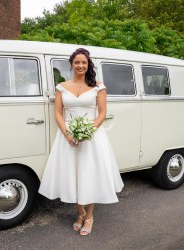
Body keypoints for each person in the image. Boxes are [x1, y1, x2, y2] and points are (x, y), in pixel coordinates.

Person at [38, 48, 124, 236]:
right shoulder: (61, 87)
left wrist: (88, 132)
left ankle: (90, 216)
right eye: (77, 62)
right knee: (73, 174)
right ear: (71, 64)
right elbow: (58, 114)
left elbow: (102, 113)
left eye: (84, 62)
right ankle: (80, 213)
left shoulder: (98, 87)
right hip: (67, 137)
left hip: (92, 137)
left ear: (88, 65)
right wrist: (68, 135)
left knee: (89, 174)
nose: (80, 65)